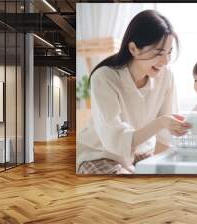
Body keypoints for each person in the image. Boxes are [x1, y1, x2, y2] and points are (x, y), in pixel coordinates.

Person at [77, 10, 191, 174]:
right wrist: (160, 123)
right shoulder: (105, 77)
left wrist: (156, 171)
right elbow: (115, 140)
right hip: (100, 154)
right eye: (159, 53)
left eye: (169, 52)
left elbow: (165, 138)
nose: (165, 61)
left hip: (140, 154)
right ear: (133, 48)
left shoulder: (166, 76)